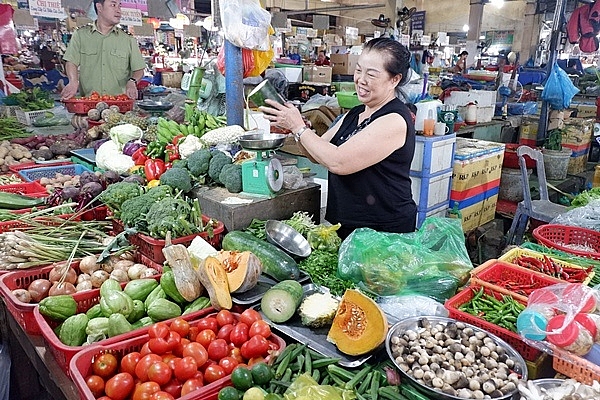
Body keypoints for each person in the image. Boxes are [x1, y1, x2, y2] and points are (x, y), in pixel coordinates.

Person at [260, 37, 417, 239]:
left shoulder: (394, 119)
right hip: (347, 226)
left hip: (383, 233)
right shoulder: (355, 113)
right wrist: (293, 127)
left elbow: (338, 161)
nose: (361, 79)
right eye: (359, 70)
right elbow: (317, 154)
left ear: (394, 79)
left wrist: (298, 127)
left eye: (371, 74)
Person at [60, 0, 145, 100]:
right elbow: (71, 61)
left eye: (119, 6)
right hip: (89, 104)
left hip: (119, 105)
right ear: (99, 7)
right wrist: (73, 81)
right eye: (113, 5)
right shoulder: (80, 35)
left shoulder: (128, 39)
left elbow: (139, 69)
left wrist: (132, 81)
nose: (118, 10)